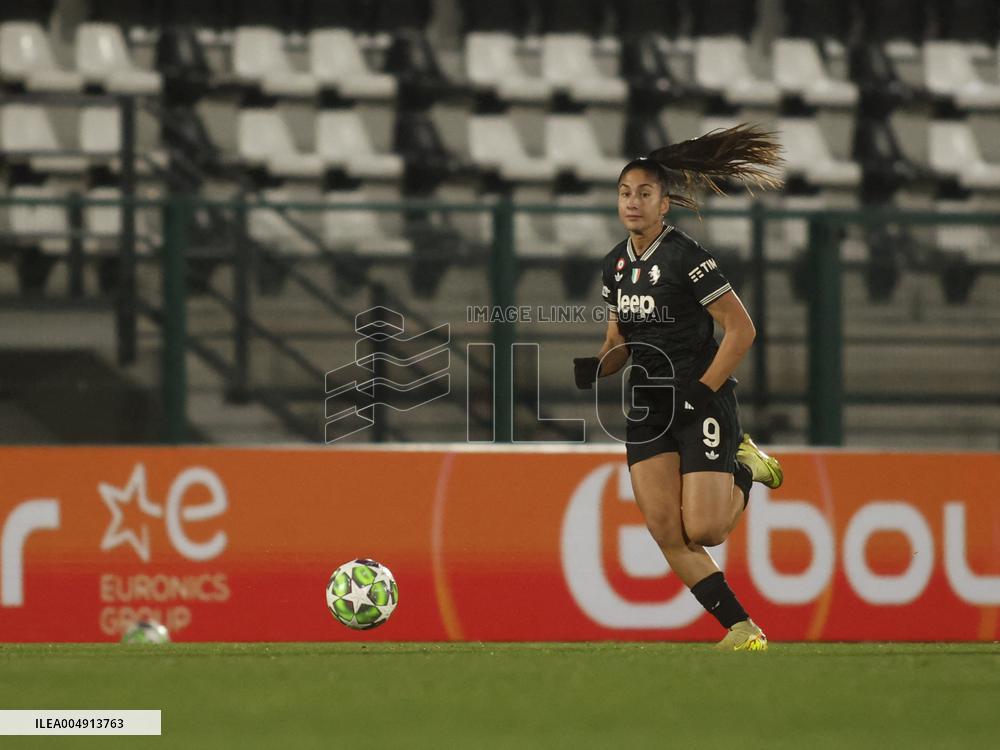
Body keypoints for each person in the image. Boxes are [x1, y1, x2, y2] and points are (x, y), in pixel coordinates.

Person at [573, 123, 785, 651]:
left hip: (700, 400)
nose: (632, 202)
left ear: (664, 203)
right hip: (648, 409)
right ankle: (743, 628)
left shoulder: (687, 256)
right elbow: (620, 339)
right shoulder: (614, 267)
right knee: (668, 531)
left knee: (709, 529)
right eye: (625, 193)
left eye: (644, 193)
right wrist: (600, 367)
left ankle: (746, 468)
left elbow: (741, 330)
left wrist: (700, 392)